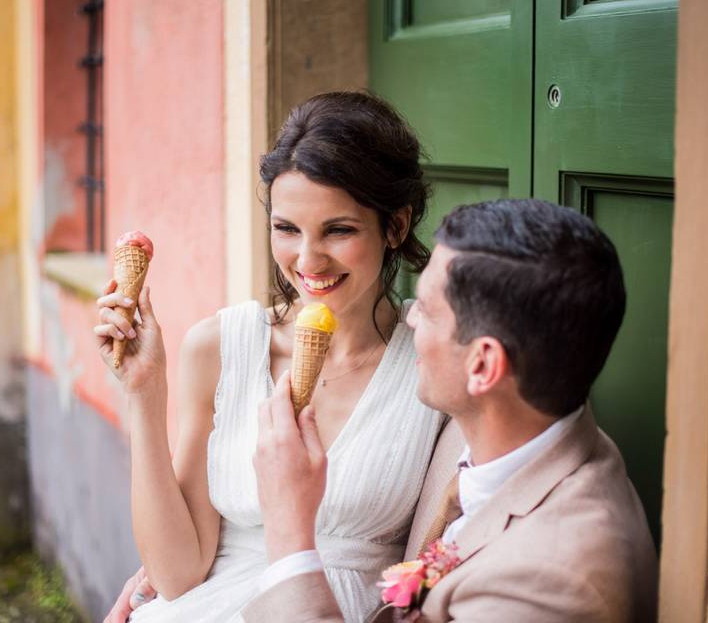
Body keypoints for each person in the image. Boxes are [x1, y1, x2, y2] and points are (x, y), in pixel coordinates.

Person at [96, 92, 446, 622]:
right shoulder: (219, 346)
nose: (308, 260)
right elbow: (177, 574)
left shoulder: (435, 358)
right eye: (287, 229)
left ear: (395, 226)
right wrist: (144, 390)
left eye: (339, 229)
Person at [246, 199, 659, 622]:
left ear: (482, 366)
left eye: (425, 310)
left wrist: (290, 535)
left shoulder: (547, 584)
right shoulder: (526, 422)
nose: (410, 322)